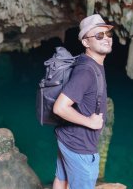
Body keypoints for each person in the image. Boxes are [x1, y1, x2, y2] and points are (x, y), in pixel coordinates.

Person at [52, 14, 113, 189]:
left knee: (61, 179)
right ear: (86, 43)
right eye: (99, 35)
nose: (106, 39)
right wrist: (90, 122)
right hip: (80, 148)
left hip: (67, 139)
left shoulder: (89, 62)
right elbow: (60, 107)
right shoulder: (86, 71)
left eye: (108, 34)